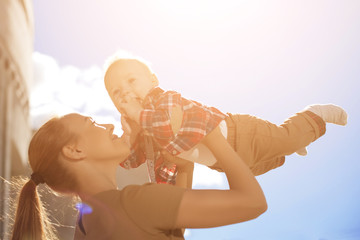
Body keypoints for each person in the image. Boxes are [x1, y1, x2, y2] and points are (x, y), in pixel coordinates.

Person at [10, 113, 267, 240]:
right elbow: (253, 202)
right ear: (75, 151)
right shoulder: (134, 202)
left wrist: (184, 165)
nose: (108, 125)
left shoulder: (84, 227)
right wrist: (210, 132)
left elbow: (170, 228)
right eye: (92, 123)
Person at [103, 56, 348, 183]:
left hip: (238, 133)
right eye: (116, 92)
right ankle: (293, 143)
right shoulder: (142, 129)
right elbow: (132, 161)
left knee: (283, 139)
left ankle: (313, 115)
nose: (125, 91)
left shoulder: (163, 100)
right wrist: (129, 138)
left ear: (153, 80)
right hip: (224, 161)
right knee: (265, 162)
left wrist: (137, 114)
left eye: (131, 81)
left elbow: (167, 128)